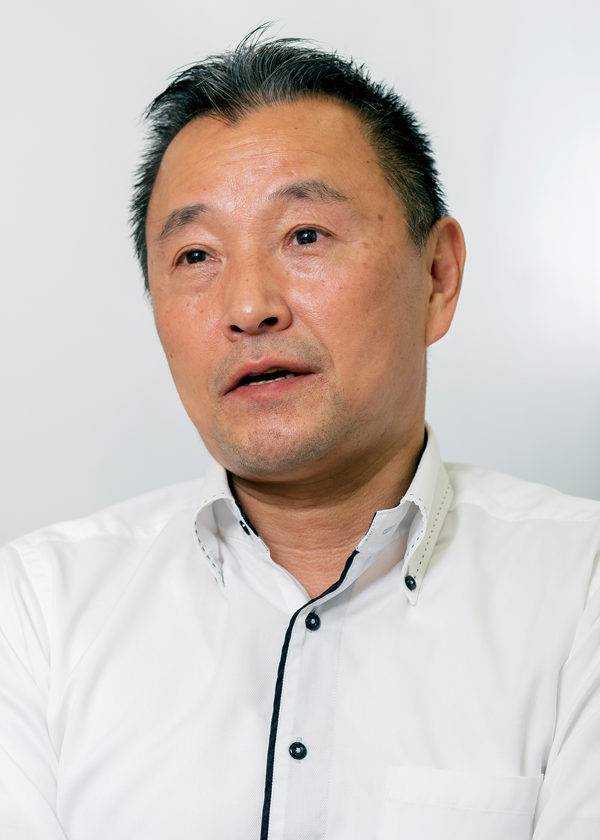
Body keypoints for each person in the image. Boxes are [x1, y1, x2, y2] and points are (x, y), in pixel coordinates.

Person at [1, 33, 599, 840]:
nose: (249, 306)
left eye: (305, 235)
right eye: (195, 254)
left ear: (437, 277)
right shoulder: (37, 610)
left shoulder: (580, 591)